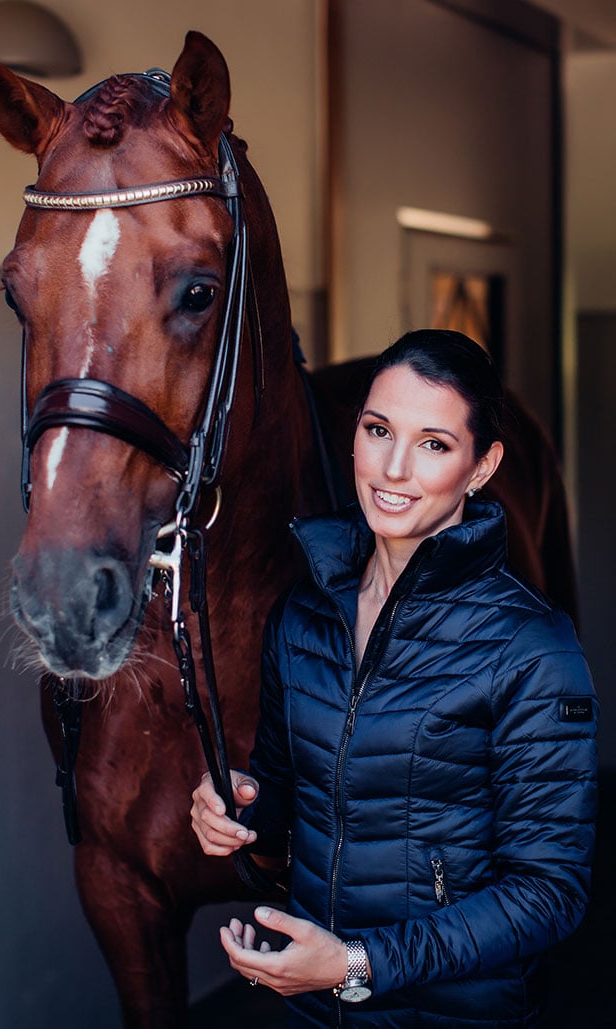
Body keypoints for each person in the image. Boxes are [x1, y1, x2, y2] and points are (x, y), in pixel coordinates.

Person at [190, 329, 598, 1027]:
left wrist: (358, 962)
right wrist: (239, 812)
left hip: (453, 1014)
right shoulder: (301, 615)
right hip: (319, 1009)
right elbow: (285, 793)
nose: (394, 468)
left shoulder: (532, 648)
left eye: (434, 443)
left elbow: (548, 893)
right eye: (378, 430)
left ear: (482, 466)